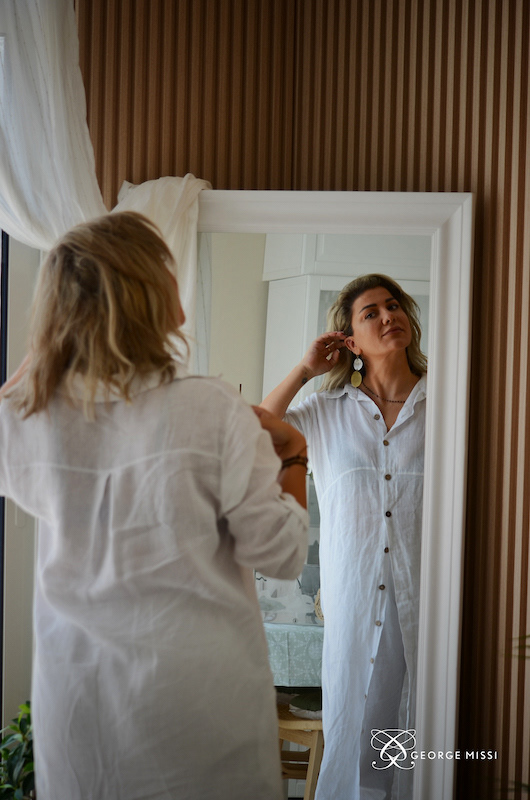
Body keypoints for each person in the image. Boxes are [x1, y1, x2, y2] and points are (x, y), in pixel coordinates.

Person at [0, 211, 309, 800]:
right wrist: (294, 452)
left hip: (80, 711)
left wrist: (47, 349)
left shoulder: (25, 419)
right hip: (198, 713)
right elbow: (282, 554)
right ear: (147, 289)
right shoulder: (211, 409)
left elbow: (17, 392)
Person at [261, 274, 427, 800]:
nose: (388, 316)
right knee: (354, 734)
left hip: (429, 607)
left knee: (423, 734)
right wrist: (304, 370)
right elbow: (256, 431)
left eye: (393, 306)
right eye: (371, 313)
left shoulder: (447, 404)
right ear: (350, 341)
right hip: (354, 606)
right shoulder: (326, 413)